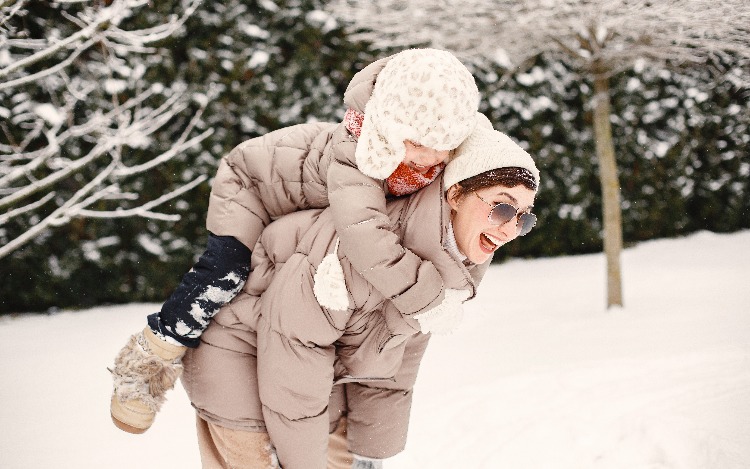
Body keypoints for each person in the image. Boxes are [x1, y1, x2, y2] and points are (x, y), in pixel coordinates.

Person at [109, 48, 481, 433]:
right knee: (226, 272)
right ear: (389, 125)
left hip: (299, 197)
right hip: (251, 185)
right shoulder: (356, 152)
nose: (433, 158)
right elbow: (364, 231)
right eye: (420, 144)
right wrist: (425, 299)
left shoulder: (430, 153)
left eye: (446, 145)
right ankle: (149, 357)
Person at [178, 121, 541, 468]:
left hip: (315, 383)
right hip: (237, 355)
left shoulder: (450, 267)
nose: (510, 228)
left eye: (524, 219)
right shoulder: (371, 247)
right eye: (502, 207)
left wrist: (371, 453)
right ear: (456, 193)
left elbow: (394, 365)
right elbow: (295, 351)